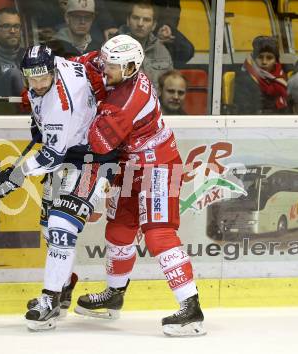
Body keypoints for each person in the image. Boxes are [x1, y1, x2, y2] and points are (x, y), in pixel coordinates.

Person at [73, 34, 205, 337]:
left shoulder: (125, 102)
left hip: (159, 165)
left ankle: (191, 307)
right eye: (107, 63)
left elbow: (98, 142)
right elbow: (88, 62)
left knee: (158, 233)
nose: (105, 69)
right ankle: (115, 293)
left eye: (112, 66)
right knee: (119, 227)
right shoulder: (121, 72)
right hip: (131, 164)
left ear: (131, 67)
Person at [0, 44, 118, 331]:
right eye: (31, 79)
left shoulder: (60, 101)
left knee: (61, 226)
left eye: (42, 78)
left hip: (91, 158)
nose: (37, 84)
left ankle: (48, 301)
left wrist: (15, 176)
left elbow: (50, 157)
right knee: (49, 228)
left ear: (54, 72)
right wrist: (39, 122)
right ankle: (63, 287)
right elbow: (89, 59)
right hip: (69, 150)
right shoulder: (54, 66)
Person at [115, 1, 173, 88]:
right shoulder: (113, 47)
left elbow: (169, 86)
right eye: (135, 18)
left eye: (146, 20)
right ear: (128, 20)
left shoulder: (162, 51)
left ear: (154, 25)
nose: (140, 24)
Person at [233, 36, 288, 115]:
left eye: (269, 58)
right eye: (260, 57)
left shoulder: (281, 77)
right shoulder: (244, 79)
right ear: (254, 58)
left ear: (276, 61)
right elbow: (246, 110)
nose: (264, 62)